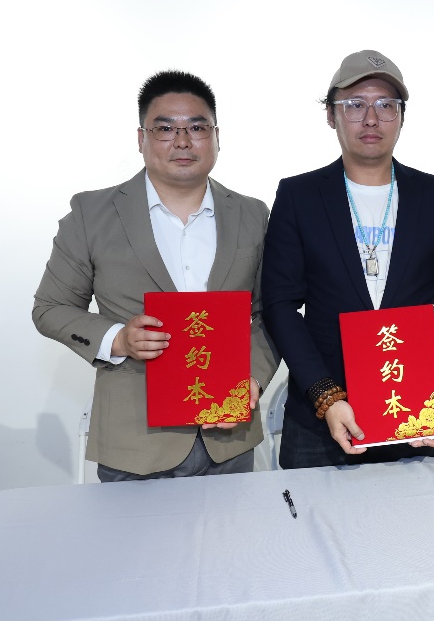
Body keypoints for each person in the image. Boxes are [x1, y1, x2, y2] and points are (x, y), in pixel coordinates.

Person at [33, 71, 280, 481]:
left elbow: (269, 312)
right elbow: (50, 308)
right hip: (135, 441)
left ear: (216, 136)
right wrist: (118, 338)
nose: (182, 141)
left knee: (235, 527)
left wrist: (253, 377)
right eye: (165, 129)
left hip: (230, 437)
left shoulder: (253, 214)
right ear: (141, 138)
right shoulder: (91, 214)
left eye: (197, 127)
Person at [261, 50, 434, 468]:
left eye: (386, 105)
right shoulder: (299, 196)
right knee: (313, 510)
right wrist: (324, 395)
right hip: (322, 412)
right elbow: (280, 303)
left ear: (401, 116)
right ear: (331, 115)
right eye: (355, 105)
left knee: (420, 511)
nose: (371, 119)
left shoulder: (433, 195)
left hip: (416, 405)